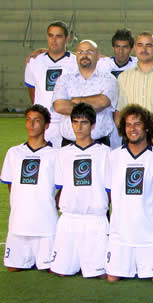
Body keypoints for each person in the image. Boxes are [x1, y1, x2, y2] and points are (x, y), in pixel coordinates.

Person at [105, 104, 153, 284]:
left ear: (146, 127)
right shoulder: (113, 158)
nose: (132, 129)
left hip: (149, 231)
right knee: (112, 278)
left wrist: (149, 210)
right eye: (128, 125)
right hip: (121, 232)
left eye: (137, 124)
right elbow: (109, 192)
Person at [50, 103, 110, 278]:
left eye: (83, 122)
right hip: (70, 219)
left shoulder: (105, 153)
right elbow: (60, 187)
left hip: (95, 219)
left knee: (101, 274)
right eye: (75, 122)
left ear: (92, 125)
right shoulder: (62, 153)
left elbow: (109, 189)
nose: (78, 127)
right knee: (62, 273)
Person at [1, 105, 58, 272]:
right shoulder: (14, 153)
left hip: (46, 223)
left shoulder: (55, 154)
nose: (31, 124)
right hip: (20, 221)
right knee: (13, 268)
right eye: (28, 120)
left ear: (47, 125)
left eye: (37, 120)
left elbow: (63, 186)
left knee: (50, 269)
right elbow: (11, 184)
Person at [116, 32, 153, 156]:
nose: (144, 49)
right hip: (131, 140)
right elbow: (118, 112)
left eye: (149, 45)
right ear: (134, 48)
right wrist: (128, 134)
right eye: (140, 45)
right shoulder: (123, 77)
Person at [52, 40, 118, 147]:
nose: (84, 55)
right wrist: (92, 103)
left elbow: (102, 102)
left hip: (100, 143)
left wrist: (75, 100)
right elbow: (59, 106)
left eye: (89, 52)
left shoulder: (108, 79)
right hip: (69, 144)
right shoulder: (64, 79)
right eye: (80, 52)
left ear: (98, 56)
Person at [24, 21, 77, 147]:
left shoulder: (76, 62)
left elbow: (96, 57)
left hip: (68, 123)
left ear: (67, 39)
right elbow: (33, 93)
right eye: (51, 35)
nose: (54, 40)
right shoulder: (34, 62)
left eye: (58, 36)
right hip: (44, 124)